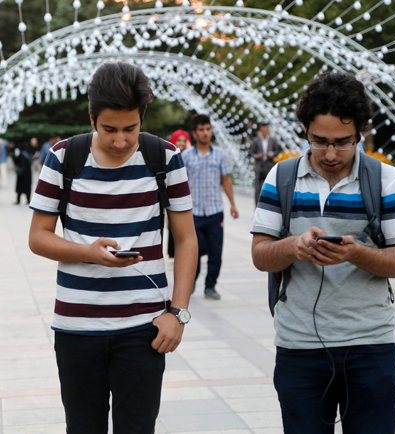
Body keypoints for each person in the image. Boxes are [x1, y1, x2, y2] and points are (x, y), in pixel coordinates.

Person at [28, 61, 198, 434]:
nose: (120, 140)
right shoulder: (62, 157)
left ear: (142, 118)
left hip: (143, 329)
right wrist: (89, 252)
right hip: (76, 328)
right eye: (109, 129)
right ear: (92, 118)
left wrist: (178, 312)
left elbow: (186, 240)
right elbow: (38, 236)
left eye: (130, 129)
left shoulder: (165, 158)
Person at [251, 72, 395, 433]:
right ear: (305, 132)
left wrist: (355, 253)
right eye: (319, 141)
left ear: (359, 133)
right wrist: (293, 246)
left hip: (370, 346)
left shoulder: (387, 180)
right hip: (299, 347)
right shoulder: (281, 178)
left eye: (342, 142)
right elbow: (260, 254)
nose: (329, 153)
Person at [182, 114, 239, 300]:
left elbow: (226, 180)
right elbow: (181, 183)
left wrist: (232, 204)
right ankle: (191, 284)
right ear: (194, 133)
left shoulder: (220, 154)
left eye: (208, 129)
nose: (205, 133)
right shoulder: (186, 156)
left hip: (215, 211)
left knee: (216, 251)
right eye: (201, 129)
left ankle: (210, 286)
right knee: (195, 251)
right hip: (194, 213)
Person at [167, 129, 192, 258]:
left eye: (184, 140)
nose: (181, 143)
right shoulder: (170, 156)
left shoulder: (190, 155)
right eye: (179, 140)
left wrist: (189, 150)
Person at [249, 122, 281, 206]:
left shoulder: (273, 140)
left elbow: (277, 152)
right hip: (259, 166)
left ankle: (270, 206)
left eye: (266, 129)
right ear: (260, 129)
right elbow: (251, 153)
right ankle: (257, 208)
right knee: (257, 189)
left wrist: (272, 154)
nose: (265, 131)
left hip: (269, 166)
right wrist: (256, 156)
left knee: (270, 188)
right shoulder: (255, 140)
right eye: (263, 129)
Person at [12, 140, 34, 204]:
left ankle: (18, 200)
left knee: (20, 187)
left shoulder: (21, 154)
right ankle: (28, 200)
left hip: (21, 174)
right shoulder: (30, 154)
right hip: (28, 174)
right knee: (27, 187)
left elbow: (16, 162)